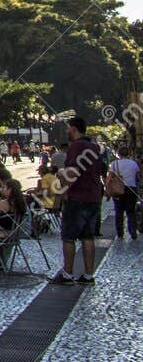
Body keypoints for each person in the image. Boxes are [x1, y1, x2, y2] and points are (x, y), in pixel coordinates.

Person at [51, 116, 105, 284]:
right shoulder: (95, 147)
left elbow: (72, 174)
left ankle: (67, 274)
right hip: (94, 197)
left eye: (68, 129)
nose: (67, 131)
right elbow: (102, 169)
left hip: (77, 197)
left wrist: (60, 173)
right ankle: (88, 276)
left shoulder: (76, 146)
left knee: (69, 237)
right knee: (88, 238)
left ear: (74, 129)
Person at [108, 143, 140, 240]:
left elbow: (109, 178)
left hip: (118, 190)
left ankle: (120, 233)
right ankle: (133, 231)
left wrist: (108, 190)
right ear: (128, 153)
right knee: (131, 211)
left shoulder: (114, 164)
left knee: (119, 211)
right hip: (131, 189)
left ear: (118, 154)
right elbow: (138, 176)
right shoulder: (134, 163)